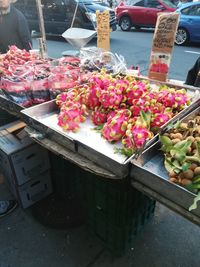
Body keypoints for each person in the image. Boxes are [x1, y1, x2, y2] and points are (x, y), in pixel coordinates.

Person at [0, 0, 32, 217]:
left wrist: (18, 62)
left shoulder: (18, 17)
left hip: (16, 76)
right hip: (5, 76)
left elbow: (28, 48)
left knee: (10, 119)